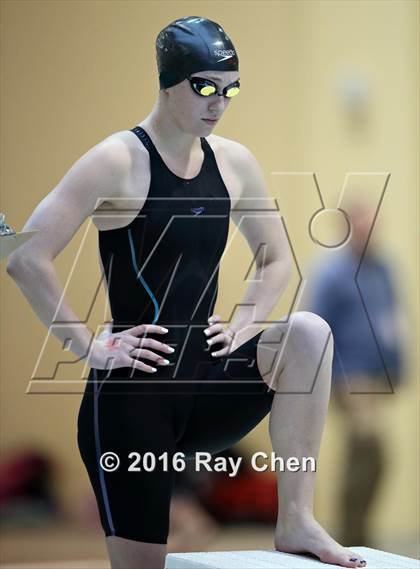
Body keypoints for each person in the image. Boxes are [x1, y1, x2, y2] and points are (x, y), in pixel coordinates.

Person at [6, 16, 368, 569]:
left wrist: (245, 322)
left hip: (207, 382)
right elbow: (25, 256)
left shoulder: (234, 162)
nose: (218, 103)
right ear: (168, 82)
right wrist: (90, 347)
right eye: (204, 87)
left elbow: (277, 259)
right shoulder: (118, 160)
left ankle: (296, 519)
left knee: (309, 333)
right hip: (134, 400)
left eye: (230, 90)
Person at [306, 200, 405, 547]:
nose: (366, 228)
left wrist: (399, 367)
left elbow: (393, 320)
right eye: (359, 221)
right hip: (348, 375)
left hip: (377, 376)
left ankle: (358, 532)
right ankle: (351, 535)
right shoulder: (332, 273)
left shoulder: (383, 270)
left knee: (370, 456)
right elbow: (314, 325)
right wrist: (325, 379)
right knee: (370, 445)